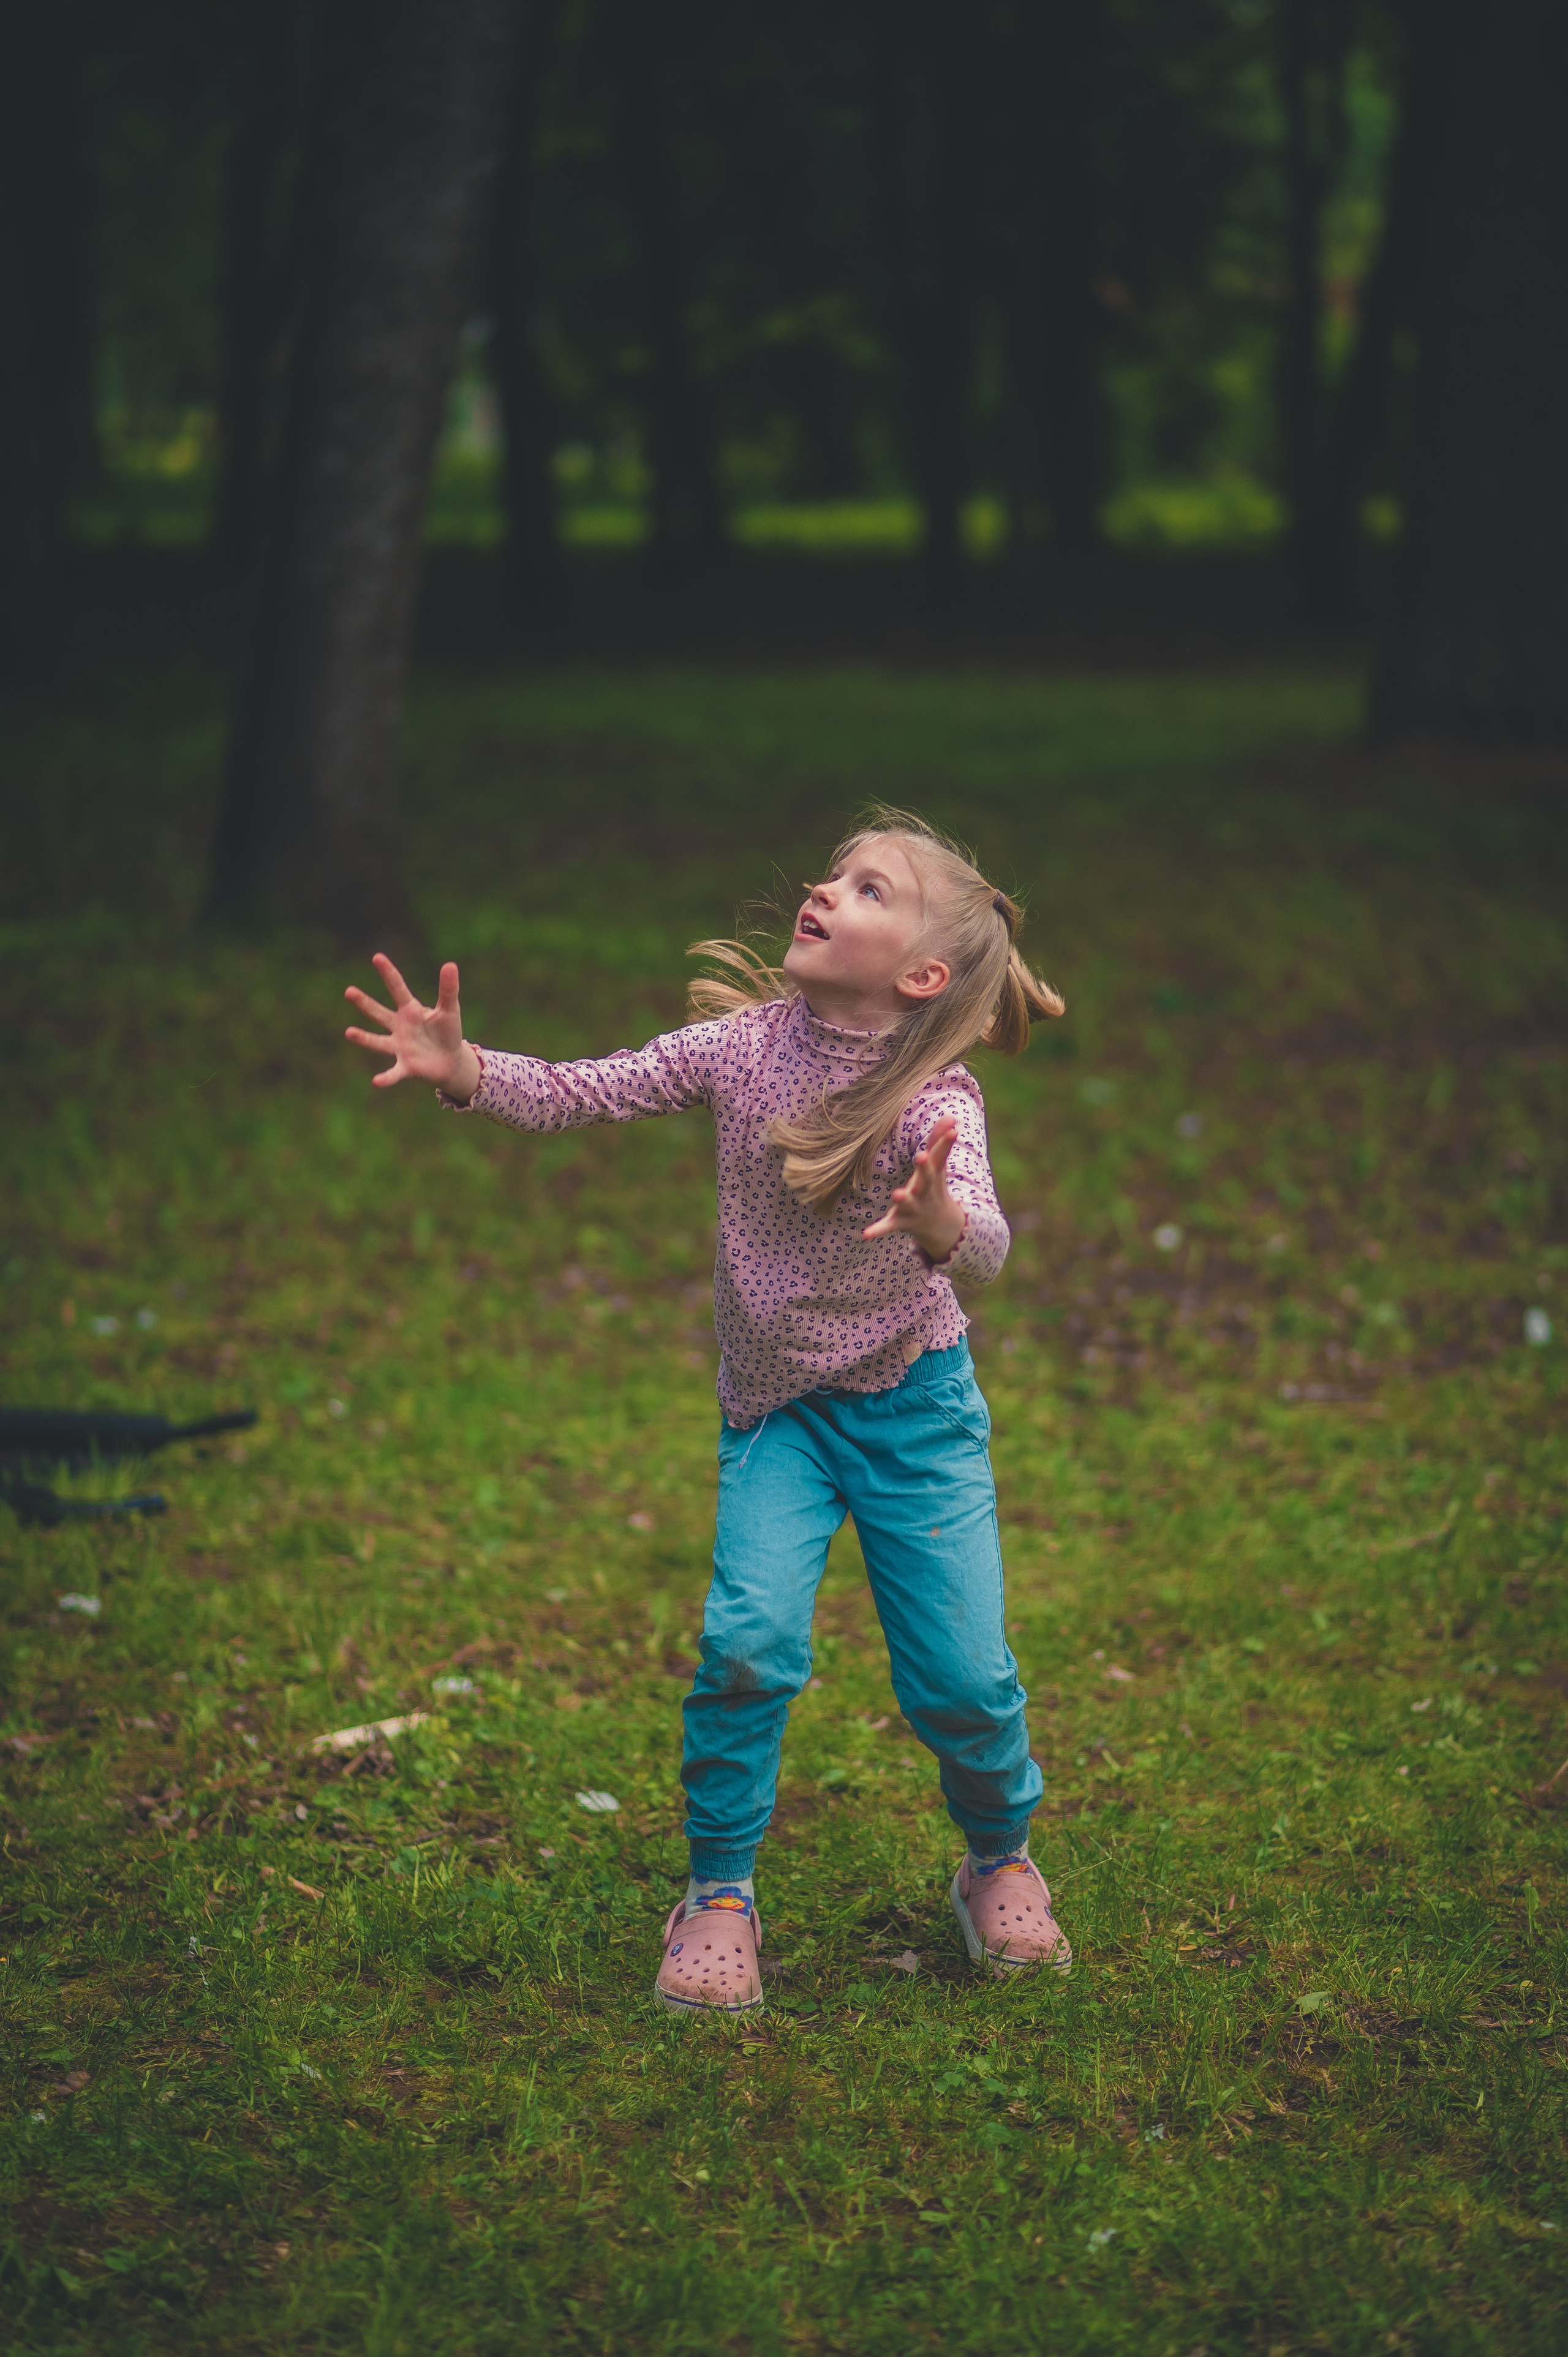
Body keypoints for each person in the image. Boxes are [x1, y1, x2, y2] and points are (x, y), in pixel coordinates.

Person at [344, 810, 1072, 2013]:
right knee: (746, 1645)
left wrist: (940, 1223)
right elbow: (587, 1090)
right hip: (776, 1410)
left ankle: (998, 1857)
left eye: (867, 887)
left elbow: (984, 1246)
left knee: (962, 1677)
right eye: (831, 874)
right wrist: (466, 1073)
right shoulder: (738, 1049)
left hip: (913, 1412)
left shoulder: (936, 1104)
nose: (826, 890)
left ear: (921, 974)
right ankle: (718, 1893)